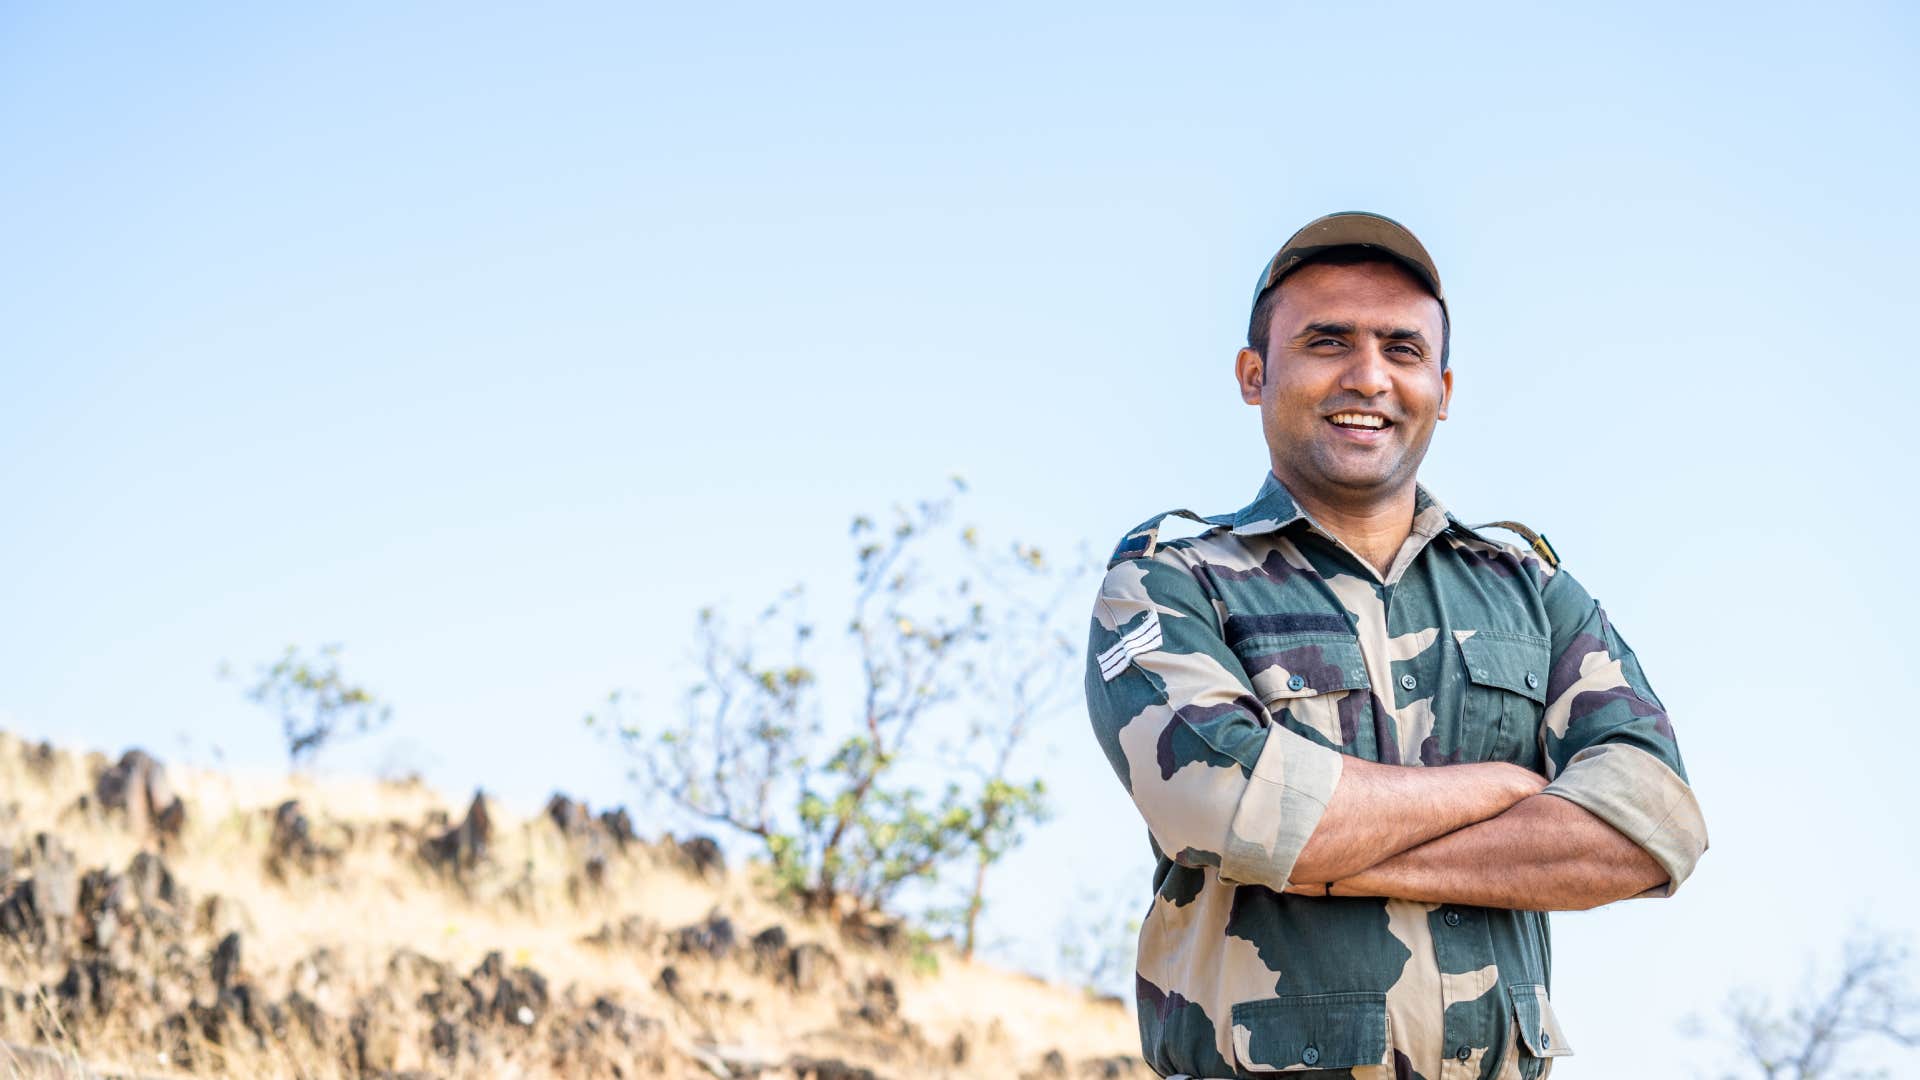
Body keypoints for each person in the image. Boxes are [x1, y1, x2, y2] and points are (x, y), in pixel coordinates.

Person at [1081, 211, 1706, 1080]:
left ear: (1443, 389)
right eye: (1328, 342)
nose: (1368, 377)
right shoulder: (1172, 580)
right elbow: (1218, 807)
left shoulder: (1530, 591)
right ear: (1254, 374)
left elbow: (1652, 828)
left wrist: (1317, 850)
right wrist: (1503, 788)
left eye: (1402, 350)